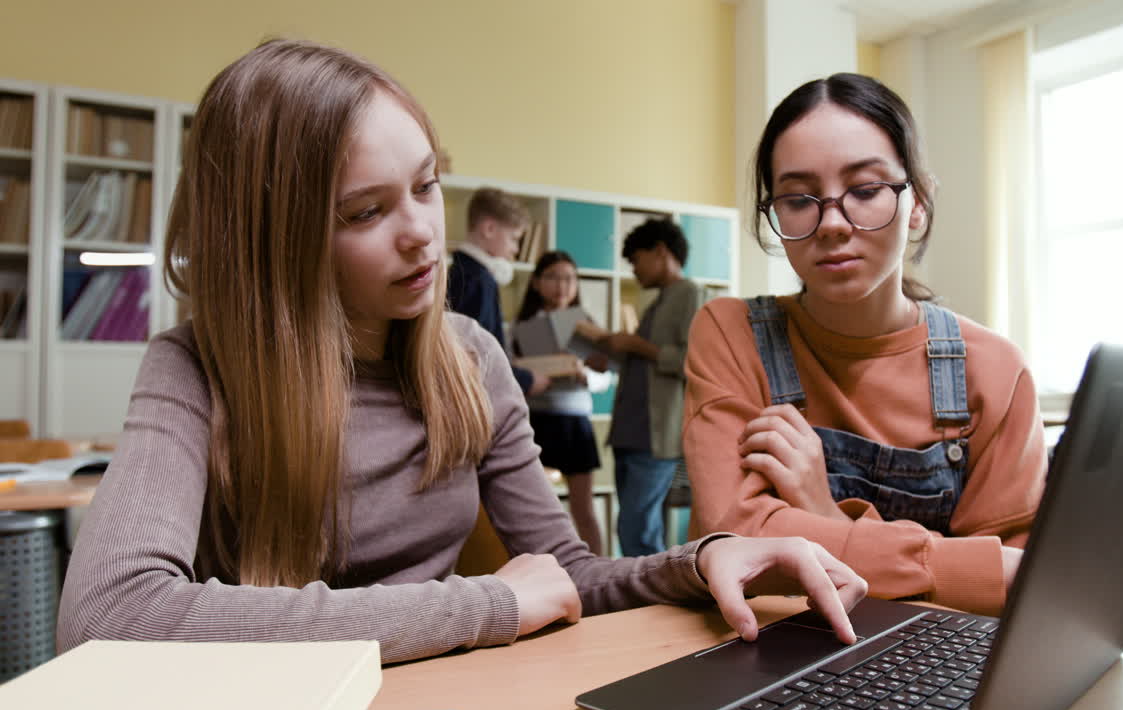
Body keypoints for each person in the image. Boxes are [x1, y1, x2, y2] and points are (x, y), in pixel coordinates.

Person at [55, 39, 868, 664]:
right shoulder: (194, 364)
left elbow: (561, 575)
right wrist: (484, 606)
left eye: (426, 184)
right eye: (366, 212)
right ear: (276, 245)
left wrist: (706, 560)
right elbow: (112, 617)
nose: (422, 233)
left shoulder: (471, 357)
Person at [683, 72, 1047, 618]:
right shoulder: (729, 333)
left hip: (936, 658)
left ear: (917, 203)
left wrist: (825, 516)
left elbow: (1012, 585)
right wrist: (948, 565)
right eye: (799, 198)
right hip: (766, 644)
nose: (831, 223)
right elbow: (738, 539)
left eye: (867, 190)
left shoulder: (994, 370)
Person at [599, 218, 706, 557]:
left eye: (636, 260)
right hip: (630, 433)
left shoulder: (690, 294)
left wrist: (635, 345)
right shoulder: (658, 300)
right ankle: (647, 597)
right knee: (634, 528)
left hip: (654, 436)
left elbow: (695, 361)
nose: (634, 271)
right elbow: (649, 364)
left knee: (637, 530)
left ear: (660, 251)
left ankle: (644, 602)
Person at [513, 250, 610, 555]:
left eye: (569, 278)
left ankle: (599, 571)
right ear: (537, 283)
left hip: (576, 425)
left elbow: (606, 376)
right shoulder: (520, 327)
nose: (562, 285)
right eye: (553, 277)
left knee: (583, 509)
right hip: (538, 422)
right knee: (539, 511)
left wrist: (587, 375)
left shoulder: (584, 324)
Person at [446, 186, 549, 397]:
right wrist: (526, 380)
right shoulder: (480, 280)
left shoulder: (459, 271)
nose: (516, 249)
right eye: (514, 238)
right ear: (489, 229)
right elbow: (478, 354)